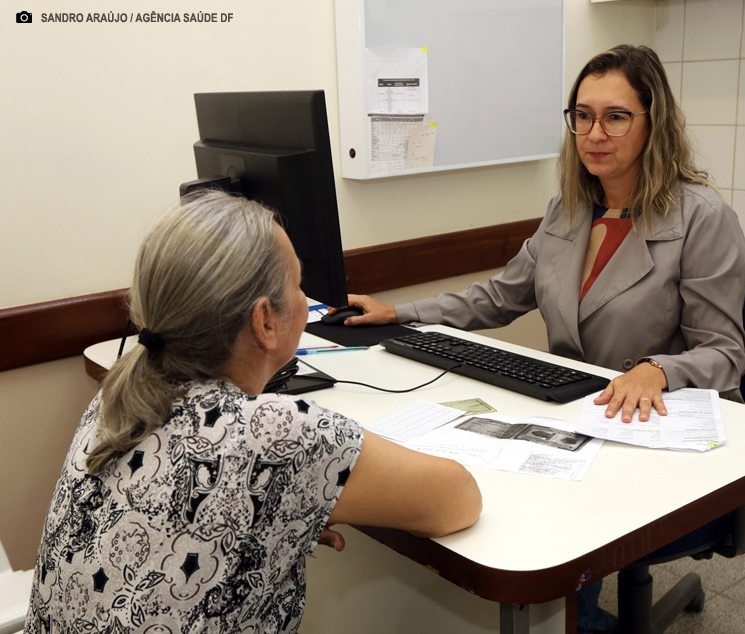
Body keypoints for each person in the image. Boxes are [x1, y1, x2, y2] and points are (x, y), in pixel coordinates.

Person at [337, 44, 745, 632]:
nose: (594, 133)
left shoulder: (702, 217)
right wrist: (400, 312)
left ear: (653, 123)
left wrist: (658, 369)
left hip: (647, 433)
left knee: (549, 531)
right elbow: (500, 296)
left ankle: (573, 617)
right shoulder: (569, 209)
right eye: (582, 116)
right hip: (574, 416)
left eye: (615, 116)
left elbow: (725, 353)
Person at [25, 191, 482, 633]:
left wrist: (289, 504)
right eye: (298, 286)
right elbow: (459, 499)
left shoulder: (118, 394)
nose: (305, 300)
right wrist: (310, 476)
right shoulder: (279, 434)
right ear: (265, 321)